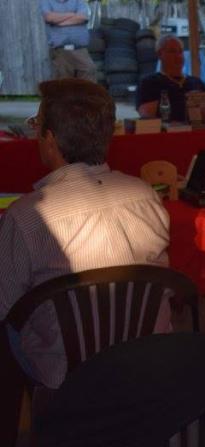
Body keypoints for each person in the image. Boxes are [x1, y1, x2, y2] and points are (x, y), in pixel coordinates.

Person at [0, 80, 170, 389]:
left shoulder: (26, 216)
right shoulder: (146, 195)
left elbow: (6, 304)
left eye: (36, 125)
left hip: (69, 372)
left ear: (49, 139)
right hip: (148, 355)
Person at [136, 35, 205, 122]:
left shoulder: (196, 83)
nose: (178, 56)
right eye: (172, 51)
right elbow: (146, 112)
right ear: (160, 54)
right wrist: (188, 102)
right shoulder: (149, 83)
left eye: (180, 52)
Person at [40, 0, 97, 82]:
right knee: (64, 79)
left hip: (80, 50)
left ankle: (86, 95)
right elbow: (49, 17)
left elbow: (83, 17)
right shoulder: (47, 1)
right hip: (60, 50)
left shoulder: (78, 1)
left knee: (89, 71)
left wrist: (60, 22)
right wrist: (72, 14)